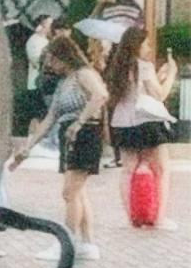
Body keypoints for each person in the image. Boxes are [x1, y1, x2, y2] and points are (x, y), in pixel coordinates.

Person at [11, 22, 108, 255]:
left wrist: (79, 121)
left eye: (53, 60)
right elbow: (50, 117)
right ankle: (87, 242)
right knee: (78, 191)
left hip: (85, 132)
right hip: (71, 132)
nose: (51, 66)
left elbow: (100, 95)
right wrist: (28, 146)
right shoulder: (65, 82)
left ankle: (68, 243)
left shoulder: (84, 74)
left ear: (64, 57)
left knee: (70, 192)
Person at [107, 24, 178, 230]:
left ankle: (131, 218)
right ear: (136, 45)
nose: (148, 48)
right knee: (161, 169)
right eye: (145, 44)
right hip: (146, 122)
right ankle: (159, 218)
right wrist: (171, 74)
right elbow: (160, 95)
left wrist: (158, 76)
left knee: (127, 171)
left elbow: (132, 92)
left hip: (122, 122)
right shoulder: (143, 67)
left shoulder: (117, 68)